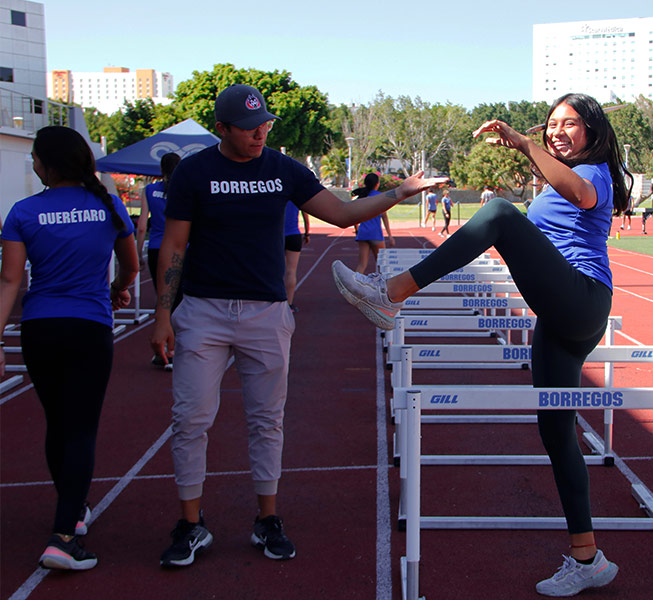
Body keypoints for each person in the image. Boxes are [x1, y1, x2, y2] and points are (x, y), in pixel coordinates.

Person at [332, 92, 632, 597]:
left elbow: (580, 195)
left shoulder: (597, 171)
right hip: (560, 317)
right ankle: (589, 559)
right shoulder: (560, 174)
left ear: (593, 132)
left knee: (498, 212)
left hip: (582, 299)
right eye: (551, 124)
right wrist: (529, 150)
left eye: (570, 124)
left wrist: (521, 143)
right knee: (556, 432)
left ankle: (393, 294)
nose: (557, 131)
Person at [150, 84, 446, 568]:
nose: (260, 132)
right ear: (222, 129)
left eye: (264, 123)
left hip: (266, 313)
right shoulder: (195, 172)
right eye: (248, 127)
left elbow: (344, 213)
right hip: (203, 311)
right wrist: (164, 314)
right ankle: (190, 524)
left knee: (267, 420)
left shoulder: (283, 168)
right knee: (191, 418)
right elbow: (175, 246)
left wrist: (400, 192)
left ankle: (266, 518)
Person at [0, 126, 140, 570]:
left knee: (58, 424)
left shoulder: (23, 212)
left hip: (39, 329)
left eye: (36, 160)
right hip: (88, 328)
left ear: (49, 165)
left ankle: (73, 510)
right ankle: (63, 536)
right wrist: (117, 288)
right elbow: (131, 266)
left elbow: (10, 281)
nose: (34, 166)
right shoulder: (108, 204)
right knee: (80, 428)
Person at [135, 152, 181, 368]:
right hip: (182, 249)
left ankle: (163, 350)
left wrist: (138, 254)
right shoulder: (184, 189)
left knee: (163, 298)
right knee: (181, 300)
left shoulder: (150, 190)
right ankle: (179, 348)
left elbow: (142, 225)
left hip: (156, 249)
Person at [352, 173, 394, 272]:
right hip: (375, 234)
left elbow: (354, 216)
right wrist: (390, 235)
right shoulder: (380, 196)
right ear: (377, 184)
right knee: (381, 265)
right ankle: (381, 286)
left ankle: (354, 285)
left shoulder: (362, 196)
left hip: (363, 233)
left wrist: (357, 229)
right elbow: (384, 216)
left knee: (362, 265)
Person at [283, 201, 310, 312]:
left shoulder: (278, 195)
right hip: (293, 235)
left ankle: (275, 300)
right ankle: (289, 304)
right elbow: (306, 217)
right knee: (291, 271)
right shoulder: (296, 197)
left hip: (277, 235)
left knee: (276, 270)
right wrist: (307, 233)